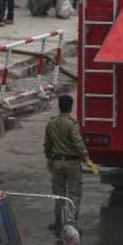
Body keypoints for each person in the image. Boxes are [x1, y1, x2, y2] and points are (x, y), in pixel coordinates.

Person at [44, 94, 93, 230]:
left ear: (59, 106)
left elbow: (47, 143)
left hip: (57, 163)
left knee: (59, 193)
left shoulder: (51, 123)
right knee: (74, 193)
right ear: (71, 107)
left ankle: (58, 221)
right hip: (72, 163)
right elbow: (78, 143)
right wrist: (86, 158)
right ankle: (71, 223)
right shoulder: (72, 124)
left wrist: (49, 158)